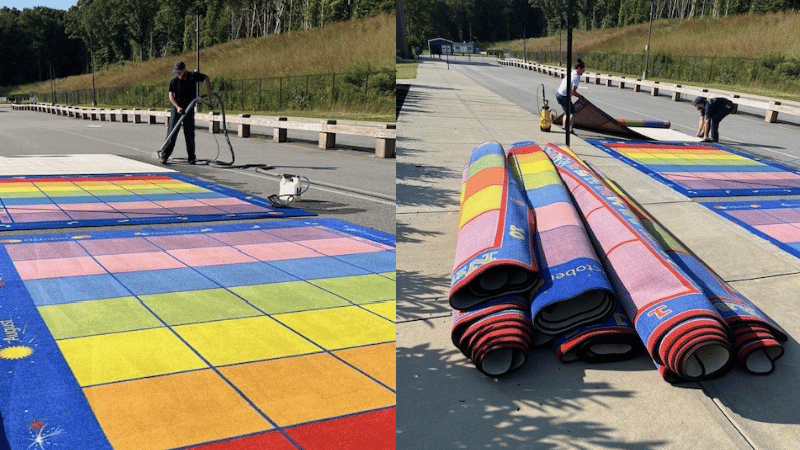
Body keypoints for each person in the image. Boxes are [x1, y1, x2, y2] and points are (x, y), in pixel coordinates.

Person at [159, 61, 213, 164]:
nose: (178, 74)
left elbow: (206, 78)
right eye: (177, 72)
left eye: (180, 72)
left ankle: (191, 157)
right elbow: (171, 96)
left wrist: (209, 90)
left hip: (189, 108)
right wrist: (178, 107)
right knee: (172, 132)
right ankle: (165, 155)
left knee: (189, 134)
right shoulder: (174, 81)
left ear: (184, 69)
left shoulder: (193, 76)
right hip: (177, 109)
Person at [555, 58, 586, 133]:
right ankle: (570, 129)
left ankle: (564, 127)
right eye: (583, 70)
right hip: (563, 96)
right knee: (572, 112)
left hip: (558, 94)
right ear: (579, 68)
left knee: (566, 111)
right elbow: (573, 91)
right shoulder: (576, 77)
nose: (584, 71)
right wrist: (580, 97)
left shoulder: (572, 73)